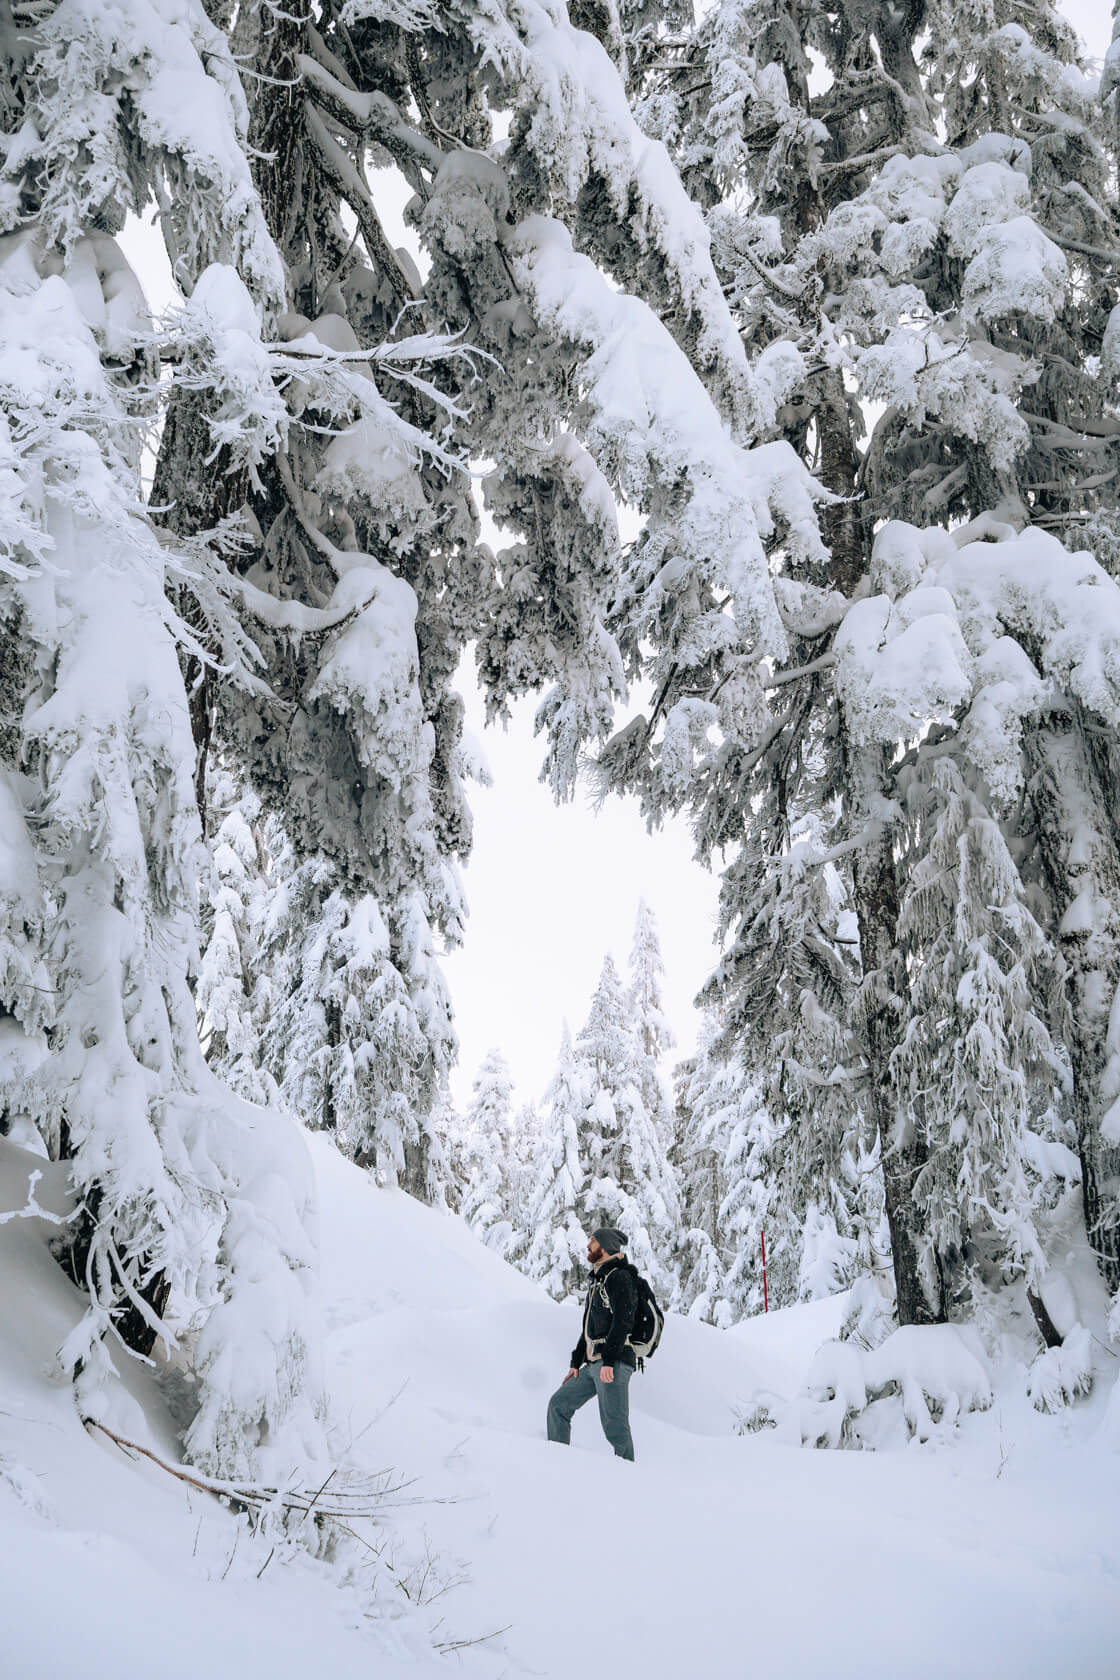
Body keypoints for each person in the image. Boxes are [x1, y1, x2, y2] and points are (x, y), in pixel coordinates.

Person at [546, 1226, 637, 1462]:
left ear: (605, 1247)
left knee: (615, 1428)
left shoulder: (620, 1277)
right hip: (594, 1364)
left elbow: (623, 1321)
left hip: (613, 1364)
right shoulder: (599, 1280)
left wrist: (609, 1360)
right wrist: (576, 1363)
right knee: (558, 1405)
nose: (588, 1246)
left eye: (593, 1241)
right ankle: (557, 1462)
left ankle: (631, 1480)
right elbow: (588, 1328)